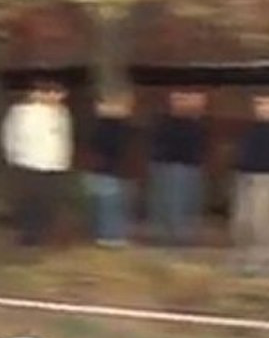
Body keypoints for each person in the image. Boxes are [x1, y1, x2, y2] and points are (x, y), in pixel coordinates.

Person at [1, 80, 74, 246]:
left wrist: (65, 159)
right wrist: (12, 155)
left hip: (55, 163)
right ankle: (28, 233)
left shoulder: (62, 112)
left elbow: (64, 138)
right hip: (29, 162)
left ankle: (43, 230)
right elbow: (10, 135)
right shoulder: (21, 112)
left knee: (48, 200)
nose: (56, 98)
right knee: (31, 199)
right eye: (52, 94)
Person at [147, 90, 209, 246]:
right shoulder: (167, 123)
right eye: (179, 99)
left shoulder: (197, 124)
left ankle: (179, 236)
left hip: (187, 167)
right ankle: (168, 235)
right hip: (170, 165)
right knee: (168, 201)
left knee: (183, 202)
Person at [232, 92, 269, 274]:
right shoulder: (253, 130)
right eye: (260, 105)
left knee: (265, 221)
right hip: (248, 177)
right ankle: (248, 258)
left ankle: (268, 261)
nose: (264, 109)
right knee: (246, 220)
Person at [83, 93, 135, 247]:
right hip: (107, 172)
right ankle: (109, 236)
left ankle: (107, 234)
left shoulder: (122, 127)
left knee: (109, 205)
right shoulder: (108, 127)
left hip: (111, 172)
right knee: (109, 205)